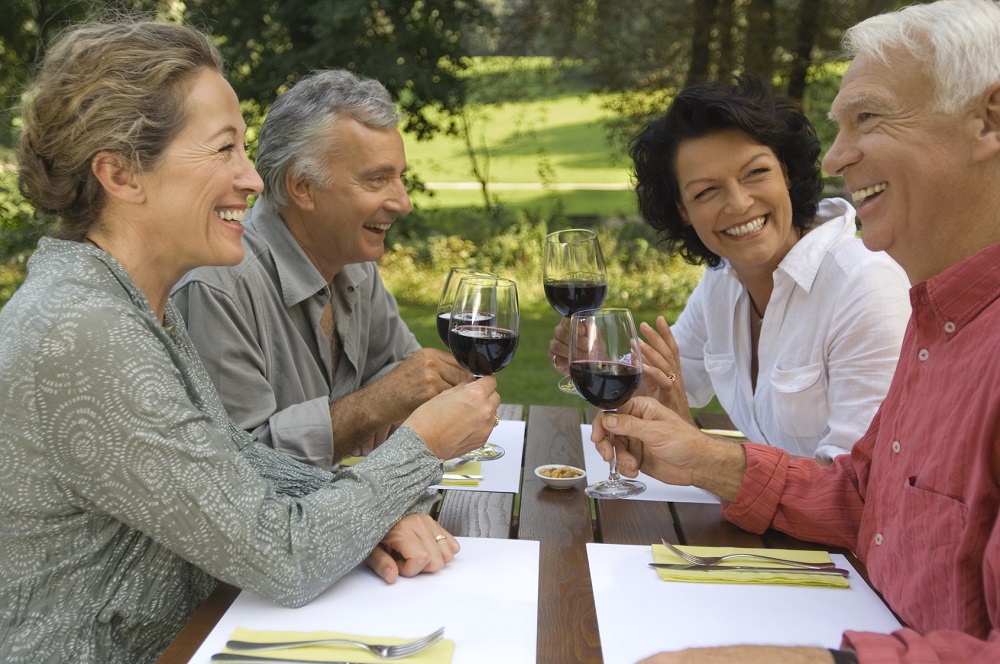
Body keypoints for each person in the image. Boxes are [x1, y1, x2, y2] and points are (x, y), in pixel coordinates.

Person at [0, 21, 500, 663]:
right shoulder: (83, 331)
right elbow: (285, 557)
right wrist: (420, 445)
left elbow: (237, 463)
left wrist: (358, 516)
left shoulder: (125, 302)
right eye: (223, 150)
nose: (254, 178)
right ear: (122, 175)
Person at [589, 0, 1000, 662]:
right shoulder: (941, 320)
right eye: (838, 130)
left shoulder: (881, 289)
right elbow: (863, 501)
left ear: (990, 118)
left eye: (867, 118)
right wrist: (698, 455)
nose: (836, 157)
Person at [549, 75, 910, 463]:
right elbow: (668, 386)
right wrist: (605, 365)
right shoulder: (723, 281)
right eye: (706, 191)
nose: (738, 204)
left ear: (786, 172)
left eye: (755, 173)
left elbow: (859, 489)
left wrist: (702, 456)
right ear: (682, 212)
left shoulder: (865, 286)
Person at [172, 69, 469, 469]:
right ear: (302, 187)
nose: (403, 202)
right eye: (377, 180)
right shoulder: (219, 287)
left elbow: (406, 374)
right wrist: (370, 410)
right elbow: (237, 467)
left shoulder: (354, 266)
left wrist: (394, 399)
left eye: (401, 178)